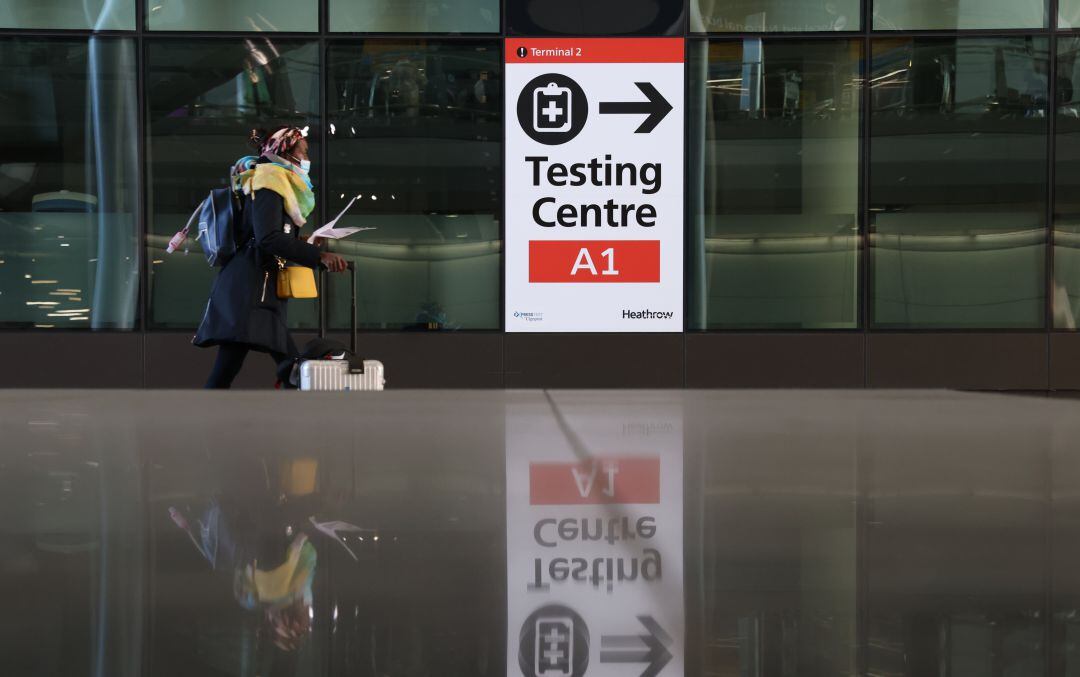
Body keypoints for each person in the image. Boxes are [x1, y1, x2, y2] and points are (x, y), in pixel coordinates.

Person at [194, 126, 347, 389]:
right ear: (287, 150)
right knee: (291, 367)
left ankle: (206, 419)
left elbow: (266, 234)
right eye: (305, 151)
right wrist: (317, 255)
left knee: (231, 367)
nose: (308, 158)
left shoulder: (271, 180)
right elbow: (267, 239)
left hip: (253, 286)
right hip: (252, 288)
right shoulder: (269, 181)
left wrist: (303, 242)